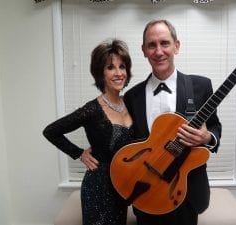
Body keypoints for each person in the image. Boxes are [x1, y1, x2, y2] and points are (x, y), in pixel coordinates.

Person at [123, 19, 222, 225]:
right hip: (146, 188)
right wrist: (91, 151)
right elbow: (128, 141)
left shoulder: (201, 86)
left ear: (176, 46)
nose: (159, 51)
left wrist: (207, 137)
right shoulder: (132, 96)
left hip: (185, 188)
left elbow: (214, 126)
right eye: (152, 45)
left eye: (165, 43)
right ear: (144, 50)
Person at [43, 39, 133, 225]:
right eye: (110, 67)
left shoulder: (131, 103)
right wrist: (79, 154)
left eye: (122, 66)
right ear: (100, 73)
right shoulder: (91, 110)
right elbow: (51, 131)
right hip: (99, 187)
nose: (118, 73)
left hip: (122, 184)